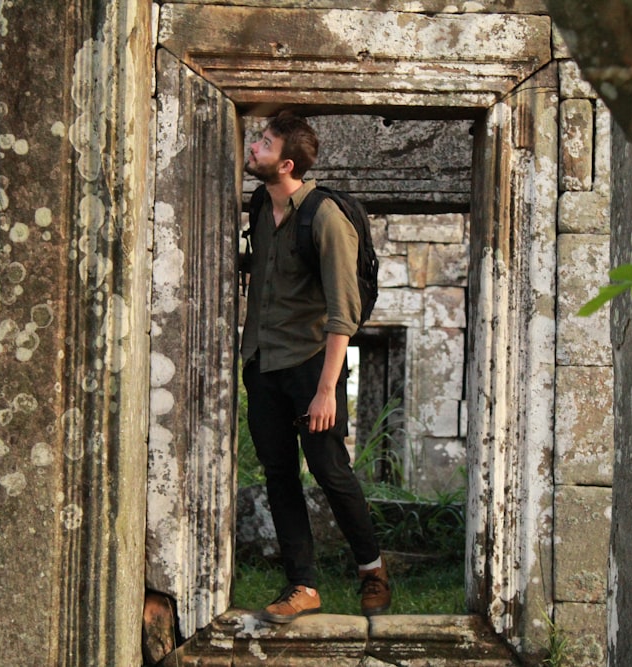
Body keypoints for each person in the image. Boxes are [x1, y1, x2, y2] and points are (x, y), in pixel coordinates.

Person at [240, 111, 391, 623]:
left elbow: (343, 313)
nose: (253, 146)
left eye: (263, 142)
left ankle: (371, 569)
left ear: (285, 164)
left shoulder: (325, 217)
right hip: (262, 362)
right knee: (279, 472)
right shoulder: (261, 204)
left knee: (328, 469)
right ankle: (303, 585)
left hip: (311, 364)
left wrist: (327, 391)